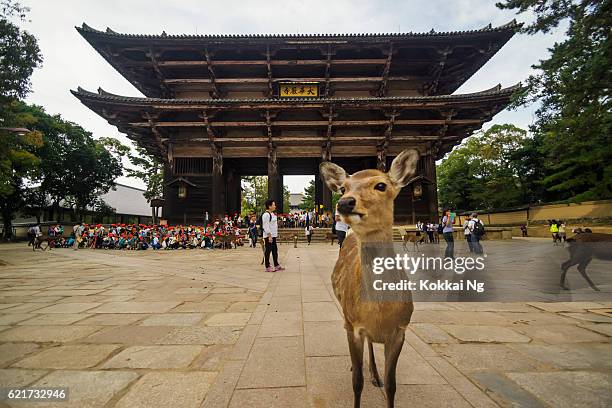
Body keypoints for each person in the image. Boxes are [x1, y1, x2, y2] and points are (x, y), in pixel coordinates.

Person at [262, 199, 283, 272]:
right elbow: (265, 226)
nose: (275, 206)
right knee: (268, 251)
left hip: (273, 236)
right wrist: (269, 235)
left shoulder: (272, 214)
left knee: (274, 250)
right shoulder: (266, 215)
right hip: (269, 236)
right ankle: (267, 266)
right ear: (269, 206)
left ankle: (276, 265)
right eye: (273, 205)